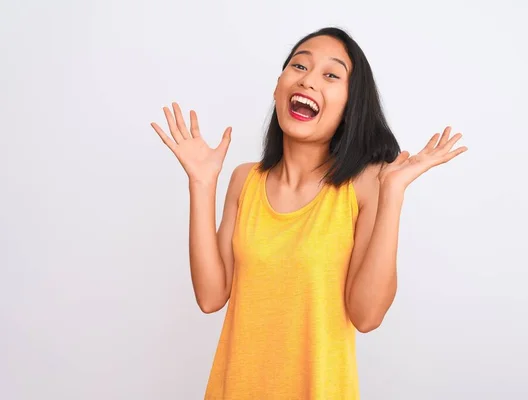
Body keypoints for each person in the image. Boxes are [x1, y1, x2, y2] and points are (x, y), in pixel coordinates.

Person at [150, 26, 467, 400]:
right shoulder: (244, 180)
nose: (308, 80)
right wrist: (202, 185)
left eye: (331, 75)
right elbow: (210, 296)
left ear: (351, 106)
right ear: (278, 88)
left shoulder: (364, 187)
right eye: (299, 66)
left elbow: (367, 317)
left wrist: (392, 192)